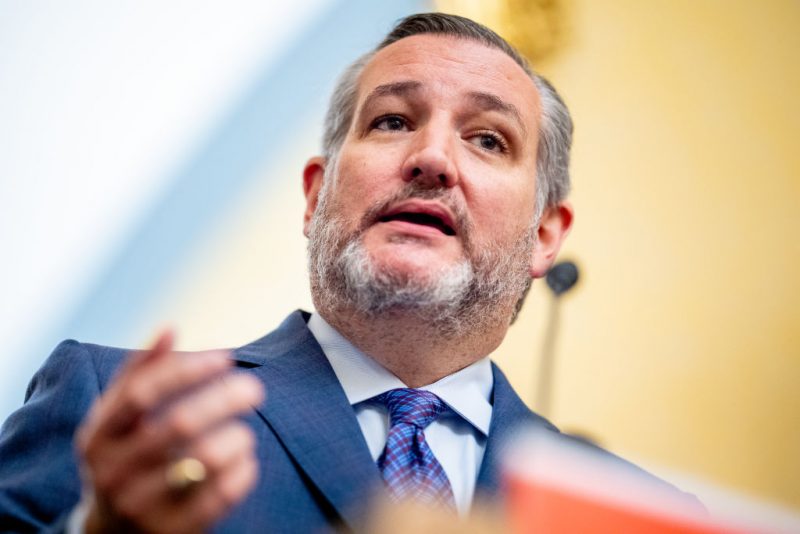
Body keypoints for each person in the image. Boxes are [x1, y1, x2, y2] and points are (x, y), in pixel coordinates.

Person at [0, 12, 696, 534]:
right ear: (316, 195)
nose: (433, 158)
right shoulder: (116, 409)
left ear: (545, 236)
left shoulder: (635, 515)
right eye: (392, 121)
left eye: (488, 139)